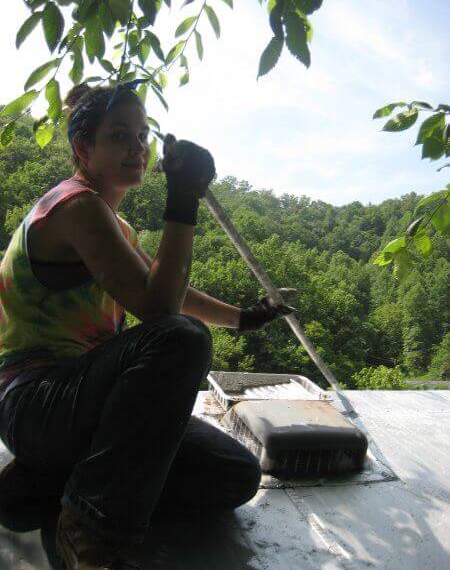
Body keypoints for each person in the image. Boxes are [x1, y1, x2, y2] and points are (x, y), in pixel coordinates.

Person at [0, 80, 295, 569]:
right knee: (180, 339)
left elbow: (169, 292)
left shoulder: (115, 225)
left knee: (233, 475)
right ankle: (89, 529)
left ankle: (47, 482)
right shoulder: (75, 206)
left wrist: (244, 319)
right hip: (36, 405)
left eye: (142, 136)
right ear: (83, 148)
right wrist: (183, 199)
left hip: (86, 406)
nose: (137, 148)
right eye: (119, 136)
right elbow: (161, 311)